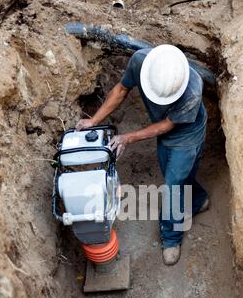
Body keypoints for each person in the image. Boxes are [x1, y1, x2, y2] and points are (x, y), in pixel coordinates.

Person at [76, 44, 209, 266]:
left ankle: (171, 237)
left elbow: (167, 126)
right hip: (165, 130)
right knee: (173, 173)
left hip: (187, 135)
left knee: (173, 186)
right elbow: (120, 90)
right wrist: (94, 120)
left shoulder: (193, 90)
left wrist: (128, 138)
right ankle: (199, 199)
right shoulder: (141, 61)